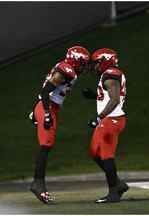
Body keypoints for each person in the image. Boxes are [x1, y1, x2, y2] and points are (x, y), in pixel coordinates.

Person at [29, 46, 90, 204]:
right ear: (75, 61)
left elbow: (46, 91)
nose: (84, 67)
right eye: (82, 63)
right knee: (46, 144)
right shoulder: (65, 70)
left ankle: (38, 182)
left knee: (47, 144)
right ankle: (38, 183)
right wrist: (46, 113)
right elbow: (45, 91)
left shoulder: (69, 70)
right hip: (47, 106)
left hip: (48, 106)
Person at [82, 48, 128, 203]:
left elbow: (114, 99)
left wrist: (99, 117)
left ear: (105, 61)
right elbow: (109, 96)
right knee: (94, 152)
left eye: (96, 63)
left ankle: (113, 192)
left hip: (111, 119)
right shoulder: (108, 74)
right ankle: (118, 184)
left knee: (106, 156)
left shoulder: (110, 75)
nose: (94, 67)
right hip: (108, 119)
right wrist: (94, 96)